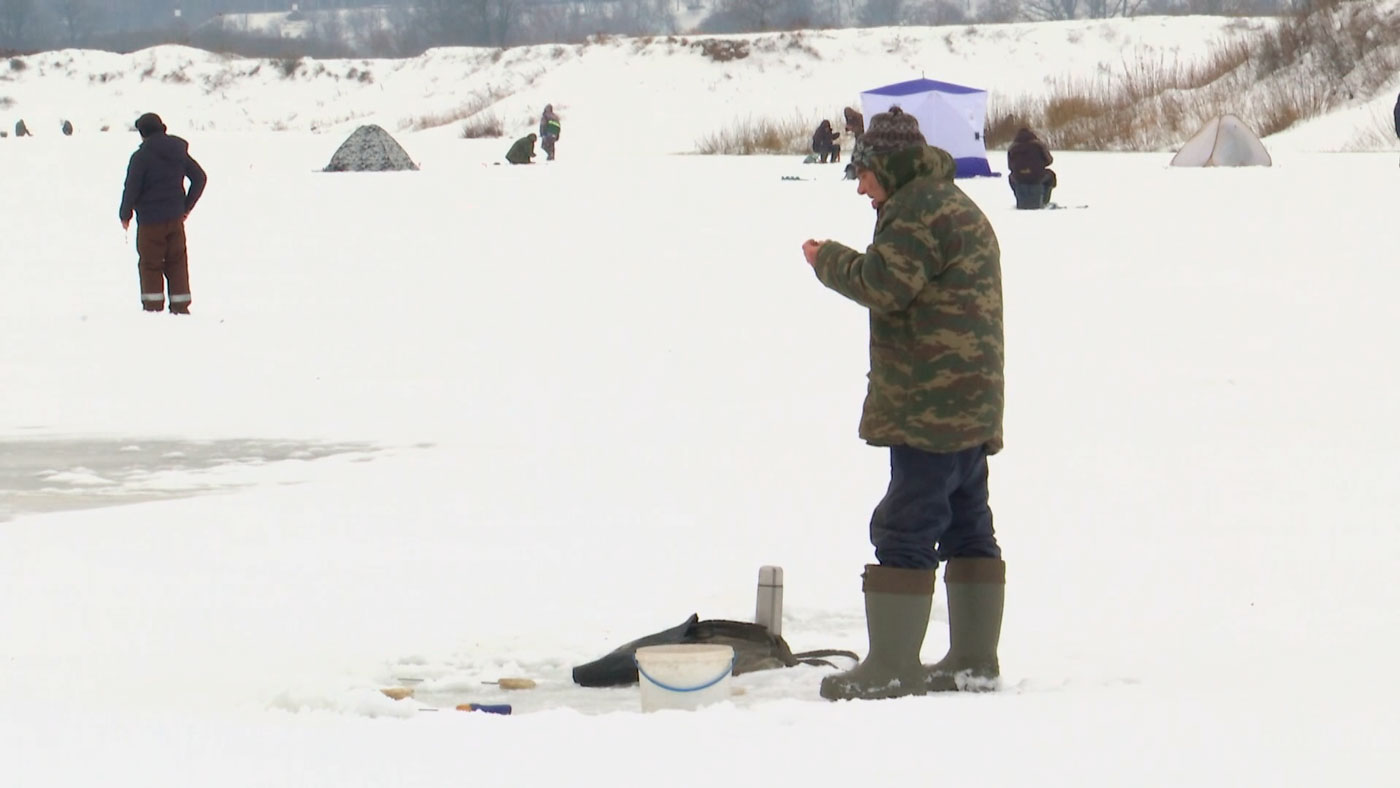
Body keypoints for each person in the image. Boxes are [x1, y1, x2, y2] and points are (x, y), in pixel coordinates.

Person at [800, 106, 1006, 702]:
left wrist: (827, 260)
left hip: (930, 405)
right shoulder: (951, 202)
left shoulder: (916, 209)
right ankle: (972, 661)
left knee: (905, 524)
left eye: (864, 173)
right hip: (969, 403)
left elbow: (885, 286)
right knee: (968, 524)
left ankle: (891, 666)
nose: (860, 185)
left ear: (888, 166)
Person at [118, 112, 207, 315]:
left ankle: (153, 310)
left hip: (150, 223)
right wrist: (186, 207)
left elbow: (131, 188)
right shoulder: (178, 152)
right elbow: (200, 178)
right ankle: (180, 308)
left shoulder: (140, 157)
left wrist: (125, 214)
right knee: (177, 262)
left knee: (150, 264)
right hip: (175, 219)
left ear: (143, 133)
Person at [1006, 127, 1056, 209]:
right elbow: (1049, 161)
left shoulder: (1012, 147)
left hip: (1019, 177)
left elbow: (1010, 167)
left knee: (1011, 177)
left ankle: (1020, 199)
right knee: (1051, 176)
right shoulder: (1038, 145)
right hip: (1037, 176)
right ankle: (1044, 201)